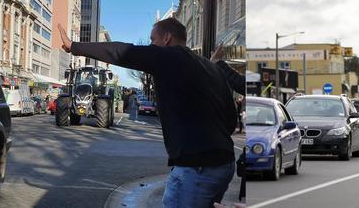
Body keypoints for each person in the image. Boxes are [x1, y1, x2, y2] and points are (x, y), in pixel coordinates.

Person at [57, 18, 237, 208]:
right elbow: (231, 121)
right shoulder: (212, 69)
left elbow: (121, 52)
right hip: (224, 163)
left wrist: (73, 46)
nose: (151, 46)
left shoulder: (169, 56)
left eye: (153, 40)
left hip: (197, 166)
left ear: (167, 38)